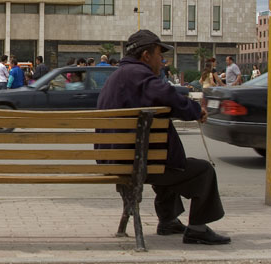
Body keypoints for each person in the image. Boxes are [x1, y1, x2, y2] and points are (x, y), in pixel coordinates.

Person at [97, 30, 230, 245]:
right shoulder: (139, 76)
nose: (163, 60)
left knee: (165, 159)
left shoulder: (117, 77)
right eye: (160, 54)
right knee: (203, 171)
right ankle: (197, 228)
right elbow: (168, 96)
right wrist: (196, 111)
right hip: (133, 164)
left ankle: (168, 220)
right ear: (146, 55)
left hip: (115, 159)